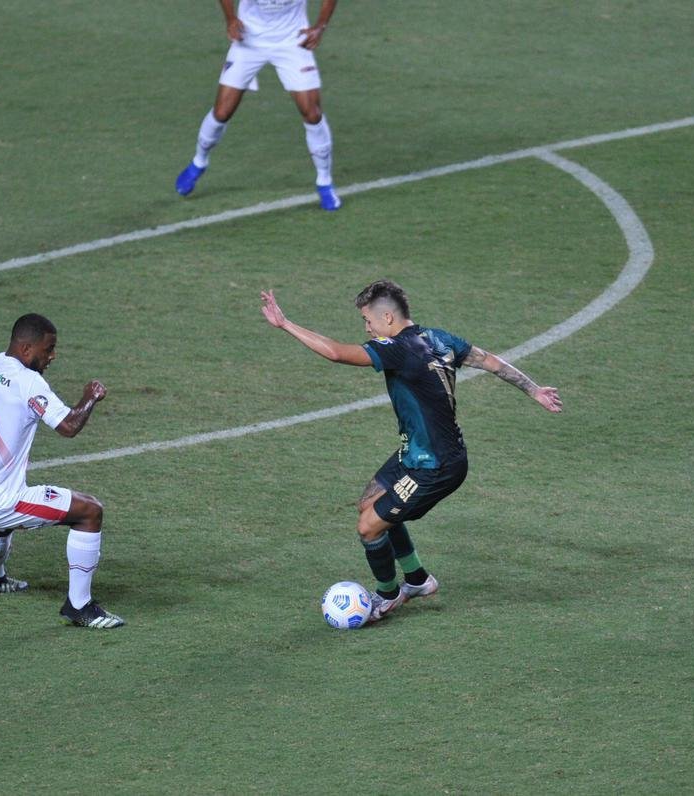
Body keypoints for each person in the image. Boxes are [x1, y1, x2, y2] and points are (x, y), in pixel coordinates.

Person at [261, 280, 563, 621]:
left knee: (369, 528)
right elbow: (490, 361)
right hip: (416, 453)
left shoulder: (397, 348)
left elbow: (335, 352)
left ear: (387, 317)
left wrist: (286, 324)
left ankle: (386, 595)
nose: (367, 328)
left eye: (368, 320)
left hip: (435, 466)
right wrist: (533, 390)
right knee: (370, 505)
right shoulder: (439, 338)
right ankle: (418, 579)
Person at [0, 313, 124, 629]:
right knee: (90, 511)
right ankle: (80, 607)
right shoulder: (29, 383)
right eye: (49, 349)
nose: (53, 356)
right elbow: (69, 426)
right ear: (27, 349)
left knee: (4, 511)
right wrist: (91, 397)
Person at [175, 0, 342, 210]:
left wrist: (320, 26)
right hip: (249, 40)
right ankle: (199, 162)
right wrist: (231, 19)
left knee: (312, 113)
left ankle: (324, 182)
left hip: (292, 41)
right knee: (222, 112)